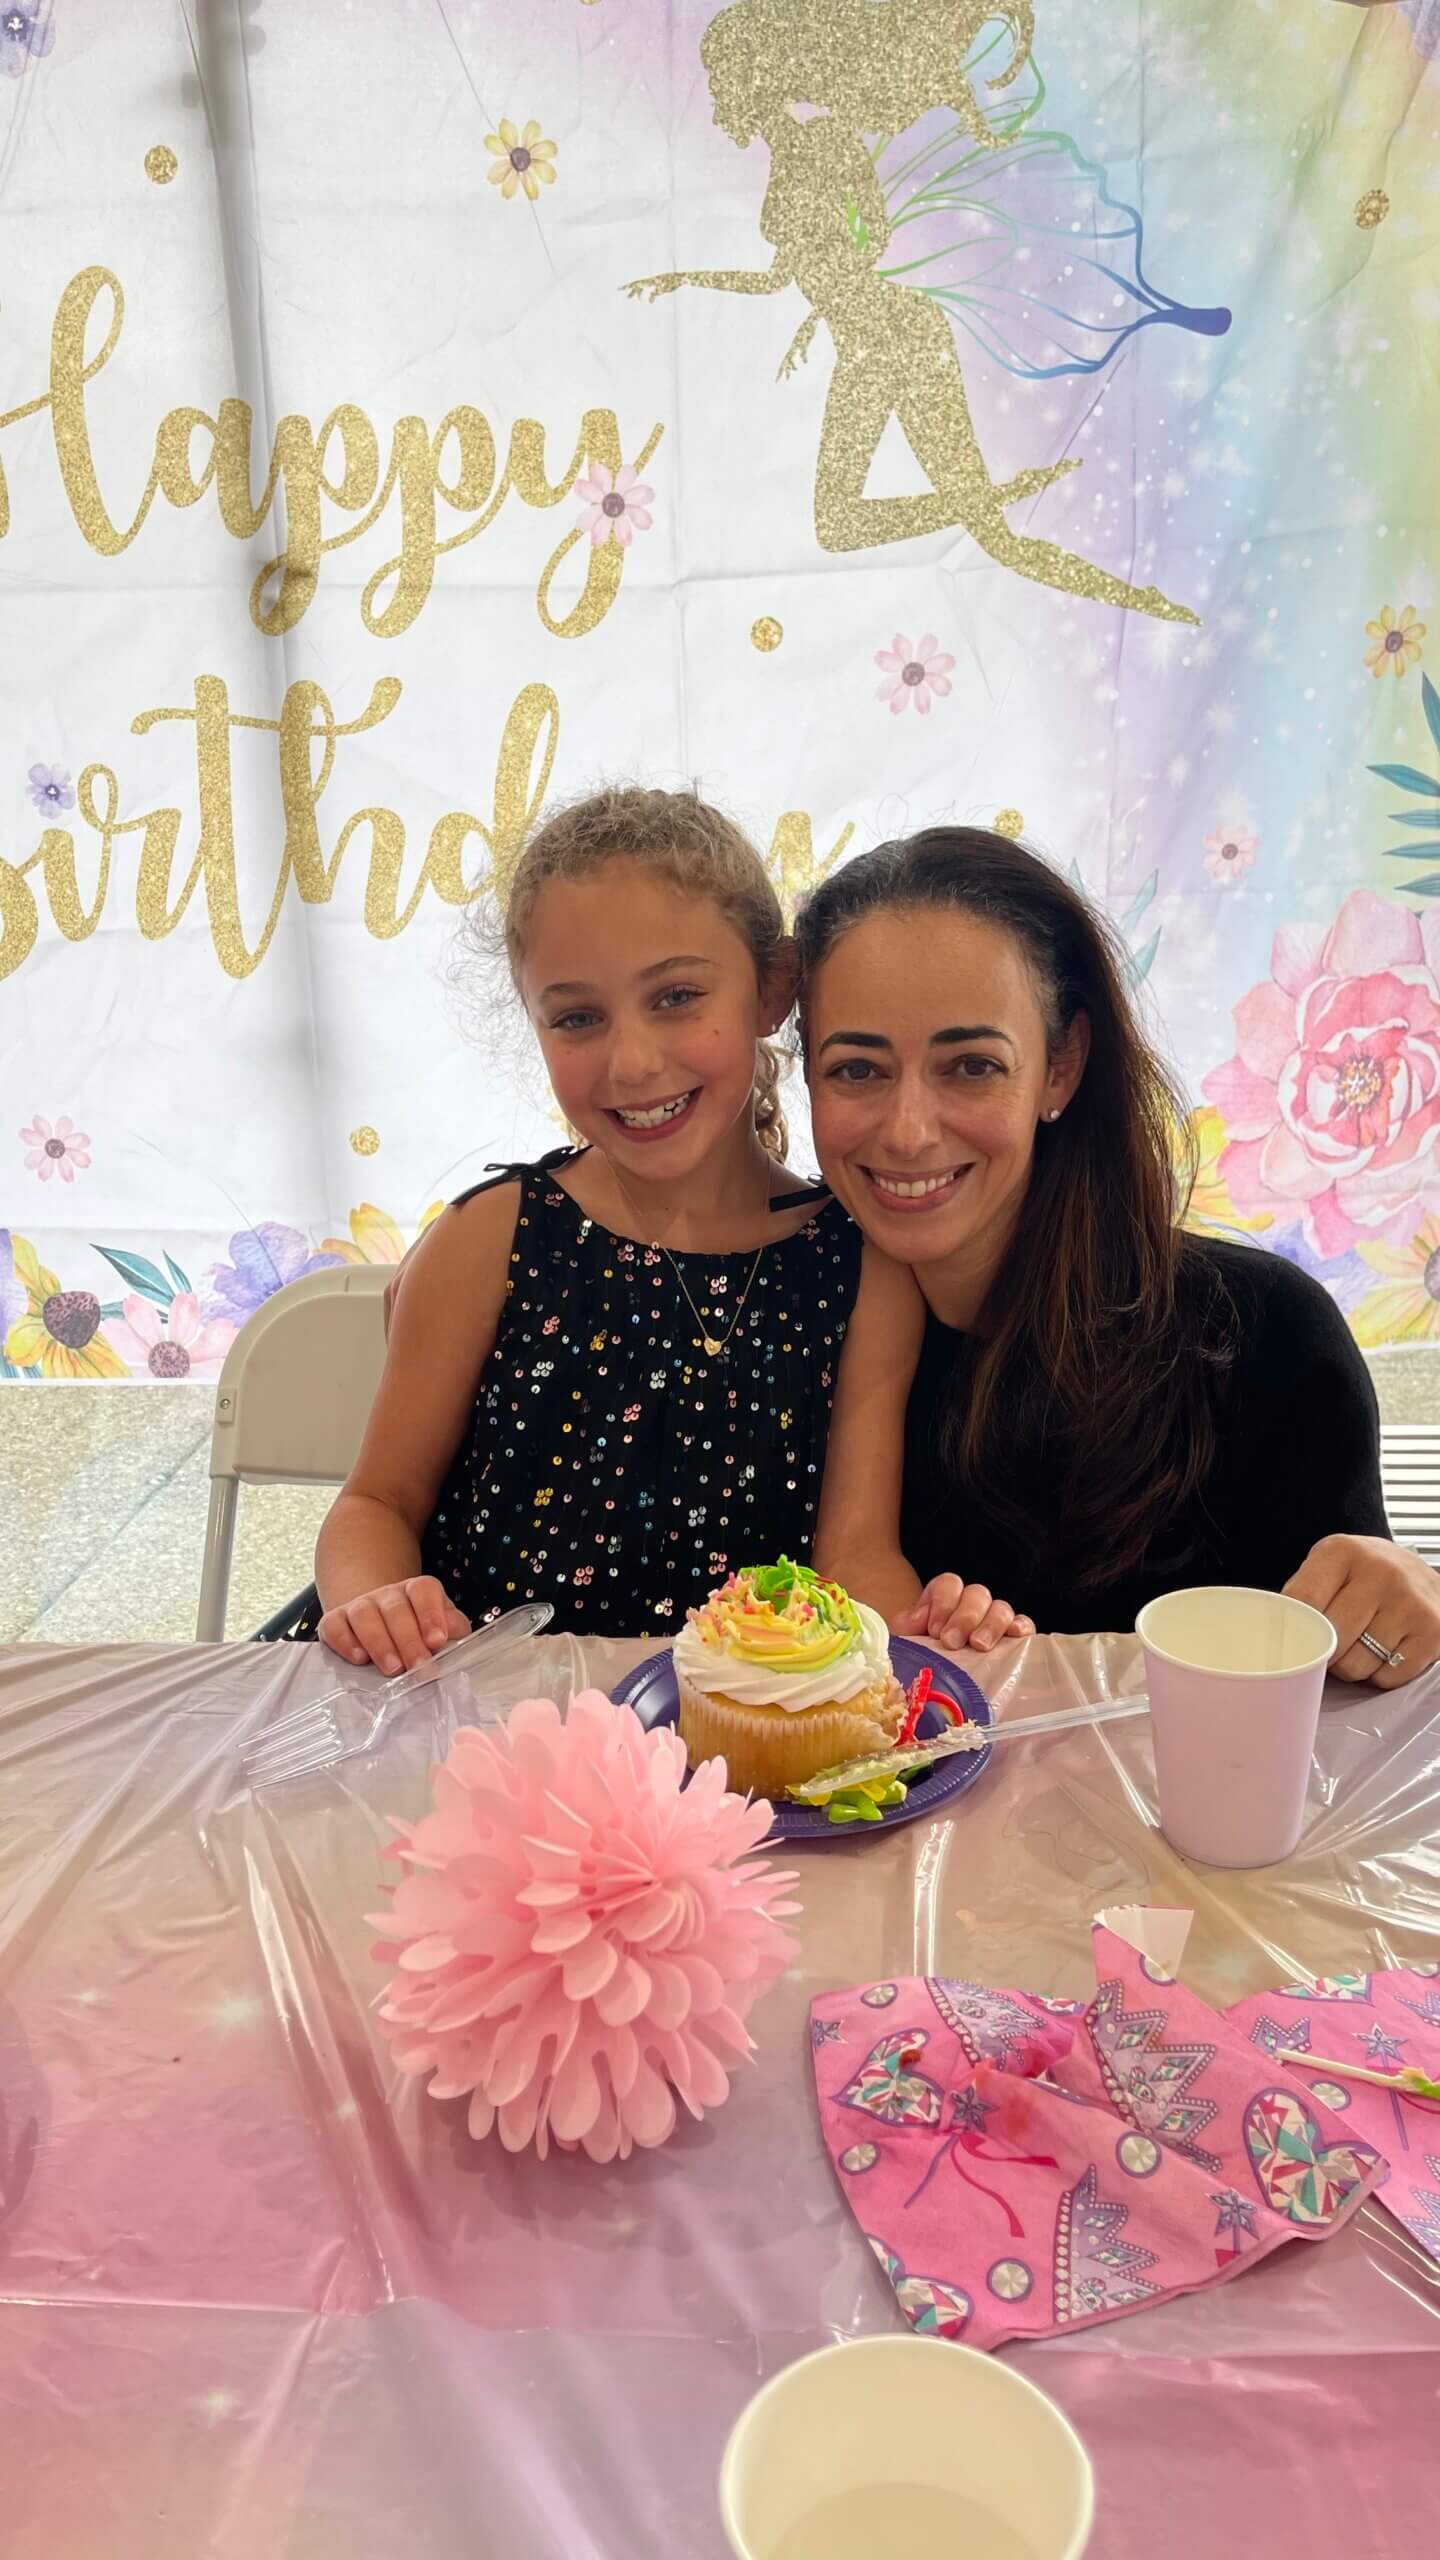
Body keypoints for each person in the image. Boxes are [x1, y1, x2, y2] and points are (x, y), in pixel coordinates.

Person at [312, 788, 1029, 1670]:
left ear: (774, 988)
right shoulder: (487, 1239)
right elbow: (376, 1504)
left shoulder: (860, 1268)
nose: (633, 1061)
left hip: (730, 1726)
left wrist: (915, 1635)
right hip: (482, 1713)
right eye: (578, 1018)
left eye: (678, 996)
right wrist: (378, 1600)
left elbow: (854, 1556)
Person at [798, 826, 1440, 1688]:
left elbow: (1361, 1665)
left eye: (972, 1066)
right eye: (857, 1070)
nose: (909, 1131)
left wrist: (1401, 1601)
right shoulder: (787, 1333)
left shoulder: (1269, 1341)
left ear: (1061, 1067)